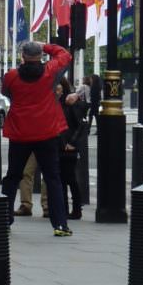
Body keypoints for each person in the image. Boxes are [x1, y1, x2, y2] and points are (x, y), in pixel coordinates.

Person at [0, 40, 73, 237]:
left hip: (20, 131)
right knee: (52, 178)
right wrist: (46, 46)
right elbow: (65, 55)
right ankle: (60, 224)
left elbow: (7, 92)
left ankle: (4, 219)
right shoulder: (50, 72)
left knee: (13, 176)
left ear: (22, 57)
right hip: (46, 131)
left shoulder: (12, 76)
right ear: (40, 56)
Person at [58, 76, 87, 221]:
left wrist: (73, 143)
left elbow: (81, 125)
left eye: (58, 87)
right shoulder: (54, 103)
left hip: (68, 146)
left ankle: (76, 209)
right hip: (57, 145)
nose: (56, 90)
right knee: (61, 179)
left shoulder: (71, 103)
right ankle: (63, 208)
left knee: (70, 178)